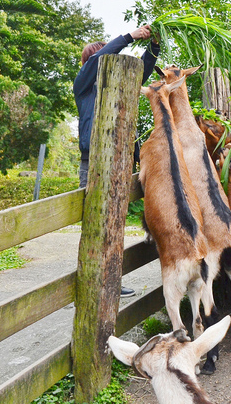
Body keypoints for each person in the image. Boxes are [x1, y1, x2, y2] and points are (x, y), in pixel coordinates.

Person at [73, 24, 159, 298]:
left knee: (114, 226)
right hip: (95, 164)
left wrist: (153, 46)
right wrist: (128, 37)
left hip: (121, 164)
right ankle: (93, 285)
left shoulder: (119, 89)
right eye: (100, 59)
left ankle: (109, 281)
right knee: (97, 227)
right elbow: (100, 60)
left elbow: (142, 72)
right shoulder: (85, 85)